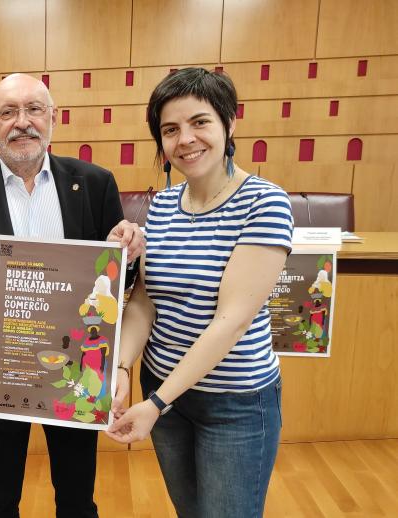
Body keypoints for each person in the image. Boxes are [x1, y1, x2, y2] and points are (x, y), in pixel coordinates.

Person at [0, 73, 144, 518]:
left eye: (34, 110)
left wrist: (127, 256)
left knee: (76, 499)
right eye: (8, 112)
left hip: (74, 375)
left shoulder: (94, 183)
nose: (22, 122)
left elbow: (119, 289)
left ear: (54, 117)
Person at [106, 68, 293, 518]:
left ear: (230, 122)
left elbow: (231, 321)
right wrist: (121, 367)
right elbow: (145, 301)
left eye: (200, 122)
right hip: (165, 393)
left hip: (234, 402)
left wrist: (155, 403)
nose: (185, 139)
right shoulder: (164, 204)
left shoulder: (264, 202)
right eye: (170, 130)